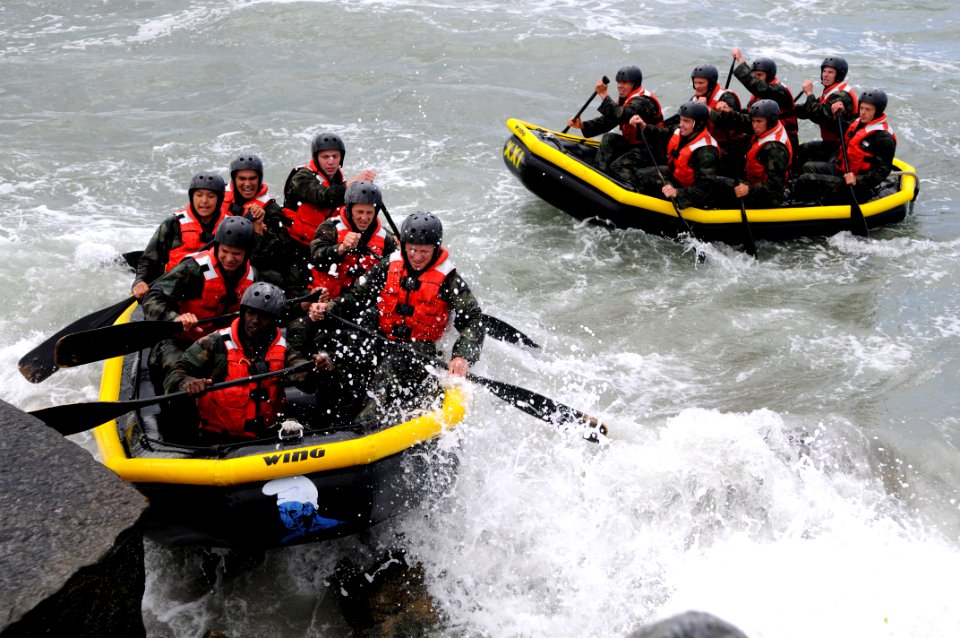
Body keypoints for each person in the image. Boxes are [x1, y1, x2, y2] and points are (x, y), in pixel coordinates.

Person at [304, 211, 484, 429]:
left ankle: (362, 429)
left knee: (388, 372)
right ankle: (331, 416)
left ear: (435, 249)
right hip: (383, 337)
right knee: (342, 351)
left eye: (424, 252)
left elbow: (473, 320)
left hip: (419, 350)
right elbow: (358, 296)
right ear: (404, 246)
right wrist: (329, 308)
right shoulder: (389, 265)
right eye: (412, 250)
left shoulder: (449, 280)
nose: (417, 257)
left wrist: (461, 357)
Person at [164, 282, 332, 441]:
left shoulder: (282, 349)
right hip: (216, 438)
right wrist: (188, 382)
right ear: (243, 312)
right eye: (251, 313)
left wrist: (319, 369)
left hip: (265, 435)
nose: (255, 320)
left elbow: (304, 379)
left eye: (264, 316)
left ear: (274, 320)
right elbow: (175, 373)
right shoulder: (215, 342)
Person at [141, 215, 257, 394]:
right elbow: (152, 296)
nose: (229, 258)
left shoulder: (252, 276)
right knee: (178, 377)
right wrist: (176, 318)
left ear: (247, 253)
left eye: (237, 254)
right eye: (225, 251)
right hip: (179, 340)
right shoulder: (193, 268)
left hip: (217, 345)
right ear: (217, 246)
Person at [281, 132, 377, 295]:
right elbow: (323, 196)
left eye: (335, 156)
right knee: (297, 291)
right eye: (325, 157)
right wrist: (350, 185)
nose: (331, 161)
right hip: (294, 246)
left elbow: (352, 216)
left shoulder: (339, 181)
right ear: (316, 158)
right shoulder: (301, 177)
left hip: (324, 244)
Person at [131, 173, 227, 300]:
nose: (204, 201)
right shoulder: (174, 223)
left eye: (211, 196)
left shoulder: (229, 227)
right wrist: (140, 281)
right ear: (192, 197)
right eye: (199, 195)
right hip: (174, 295)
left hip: (213, 300)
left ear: (219, 199)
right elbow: (149, 259)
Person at [793, 89, 897, 205]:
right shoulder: (860, 122)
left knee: (805, 180)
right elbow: (842, 130)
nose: (862, 112)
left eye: (868, 110)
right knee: (807, 167)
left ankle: (799, 205)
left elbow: (882, 171)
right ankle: (814, 198)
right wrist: (840, 113)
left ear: (877, 111)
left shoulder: (884, 138)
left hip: (856, 184)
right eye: (861, 108)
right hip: (843, 170)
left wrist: (857, 180)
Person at [565, 66, 664, 184]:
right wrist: (582, 125)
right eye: (619, 82)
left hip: (651, 149)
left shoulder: (644, 102)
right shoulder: (625, 99)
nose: (619, 85)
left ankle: (632, 188)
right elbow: (608, 121)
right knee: (609, 138)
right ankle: (597, 175)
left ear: (634, 84)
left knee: (617, 166)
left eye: (625, 83)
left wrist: (603, 94)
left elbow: (625, 115)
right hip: (635, 144)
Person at [310, 180, 398, 301]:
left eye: (369, 213)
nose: (364, 218)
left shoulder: (385, 238)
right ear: (349, 210)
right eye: (359, 212)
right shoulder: (331, 227)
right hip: (327, 300)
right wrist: (341, 248)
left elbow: (396, 271)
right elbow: (317, 260)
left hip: (361, 302)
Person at [223, 154, 296, 290]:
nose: (247, 184)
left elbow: (282, 253)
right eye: (242, 179)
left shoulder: (271, 210)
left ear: (259, 179)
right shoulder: (219, 198)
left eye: (252, 178)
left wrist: (259, 232)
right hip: (220, 259)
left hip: (251, 265)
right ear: (233, 179)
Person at [630, 101, 722, 210]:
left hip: (692, 192)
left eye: (686, 121)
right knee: (642, 175)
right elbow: (661, 133)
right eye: (681, 119)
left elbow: (705, 189)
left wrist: (677, 192)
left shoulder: (706, 152)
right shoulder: (680, 131)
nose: (681, 124)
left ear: (698, 124)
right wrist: (644, 126)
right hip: (677, 177)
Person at [716, 100, 793, 208]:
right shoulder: (768, 125)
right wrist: (728, 112)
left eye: (758, 121)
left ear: (770, 121)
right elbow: (744, 121)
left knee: (718, 188)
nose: (754, 126)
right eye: (753, 121)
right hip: (754, 183)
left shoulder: (775, 149)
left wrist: (749, 189)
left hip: (766, 197)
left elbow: (775, 186)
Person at [665, 64, 743, 170]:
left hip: (726, 144)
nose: (697, 86)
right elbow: (682, 116)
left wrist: (707, 109)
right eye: (695, 82)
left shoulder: (727, 98)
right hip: (703, 140)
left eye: (701, 83)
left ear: (710, 83)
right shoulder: (696, 97)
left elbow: (732, 125)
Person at [726, 49, 799, 151]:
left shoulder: (779, 91)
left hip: (780, 143)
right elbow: (751, 113)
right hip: (761, 133)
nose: (756, 78)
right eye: (754, 75)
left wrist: (740, 60)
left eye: (759, 75)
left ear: (769, 76)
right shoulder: (759, 94)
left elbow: (759, 88)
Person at [793, 56, 859, 166]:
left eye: (830, 72)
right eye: (824, 71)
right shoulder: (831, 91)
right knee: (801, 151)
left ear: (839, 75)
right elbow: (808, 109)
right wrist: (787, 108)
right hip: (830, 144)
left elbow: (819, 115)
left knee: (811, 168)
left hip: (842, 147)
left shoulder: (842, 95)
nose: (825, 75)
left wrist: (810, 93)